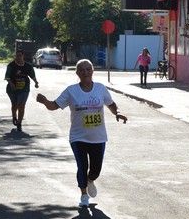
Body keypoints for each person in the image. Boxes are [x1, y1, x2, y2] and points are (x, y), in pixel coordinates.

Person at [36, 59, 127, 207]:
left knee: (95, 170)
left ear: (92, 71)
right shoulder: (71, 91)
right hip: (78, 137)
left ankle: (90, 180)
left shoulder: (100, 88)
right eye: (82, 70)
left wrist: (117, 113)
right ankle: (83, 194)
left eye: (88, 69)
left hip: (98, 137)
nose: (85, 72)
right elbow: (54, 105)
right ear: (77, 72)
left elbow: (111, 104)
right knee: (82, 165)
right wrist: (46, 101)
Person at [5, 50, 39, 132]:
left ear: (23, 56)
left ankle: (19, 123)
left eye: (20, 55)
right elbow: (7, 77)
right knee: (14, 105)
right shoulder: (11, 65)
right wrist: (11, 84)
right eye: (17, 55)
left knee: (21, 105)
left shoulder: (28, 66)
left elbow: (32, 75)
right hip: (12, 89)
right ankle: (14, 117)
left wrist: (36, 82)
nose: (18, 57)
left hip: (24, 89)